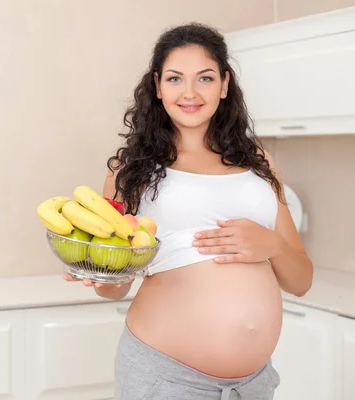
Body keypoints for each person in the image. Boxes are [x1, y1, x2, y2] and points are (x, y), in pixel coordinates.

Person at [64, 22, 313, 400]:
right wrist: (102, 276)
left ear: (225, 85)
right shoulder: (130, 171)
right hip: (167, 380)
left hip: (254, 385)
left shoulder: (259, 163)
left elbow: (301, 281)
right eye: (176, 78)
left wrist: (273, 245)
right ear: (158, 86)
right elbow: (117, 287)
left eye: (206, 78)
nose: (191, 92)